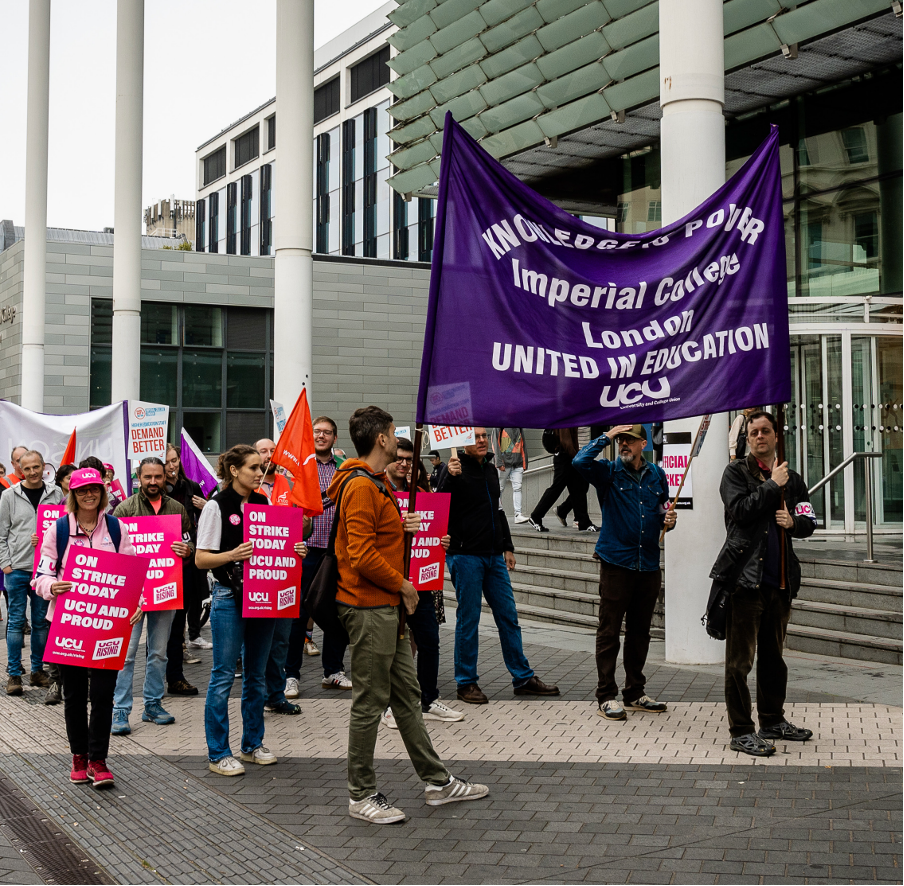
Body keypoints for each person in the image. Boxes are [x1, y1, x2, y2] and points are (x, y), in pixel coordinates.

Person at [328, 406, 488, 824]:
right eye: (391, 433)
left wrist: (403, 527)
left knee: (408, 697)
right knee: (369, 702)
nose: (396, 439)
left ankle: (437, 781)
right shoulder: (361, 485)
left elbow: (374, 539)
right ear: (381, 439)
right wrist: (402, 584)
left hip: (385, 609)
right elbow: (361, 554)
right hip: (370, 607)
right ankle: (360, 794)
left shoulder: (374, 483)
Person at [195, 445, 307, 776]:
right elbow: (201, 558)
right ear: (234, 471)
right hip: (230, 598)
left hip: (263, 597)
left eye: (262, 467)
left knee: (257, 675)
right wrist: (232, 555)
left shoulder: (262, 503)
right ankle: (218, 752)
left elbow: (274, 548)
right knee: (223, 675)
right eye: (254, 468)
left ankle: (252, 744)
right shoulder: (216, 506)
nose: (260, 473)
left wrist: (294, 548)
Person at [711, 410, 816, 757]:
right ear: (748, 438)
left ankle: (772, 720)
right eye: (753, 431)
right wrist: (772, 486)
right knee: (739, 663)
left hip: (780, 583)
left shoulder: (793, 478)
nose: (759, 436)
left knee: (774, 659)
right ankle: (741, 730)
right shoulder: (736, 472)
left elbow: (809, 518)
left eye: (765, 431)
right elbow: (740, 511)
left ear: (775, 435)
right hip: (746, 584)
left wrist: (794, 524)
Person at [34, 468, 142, 788]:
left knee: (104, 693)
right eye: (82, 491)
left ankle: (99, 759)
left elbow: (131, 572)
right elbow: (41, 573)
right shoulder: (60, 529)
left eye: (94, 489)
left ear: (102, 492)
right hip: (69, 623)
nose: (89, 495)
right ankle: (79, 756)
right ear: (73, 495)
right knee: (76, 694)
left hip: (108, 625)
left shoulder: (116, 528)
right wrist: (51, 587)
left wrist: (137, 602)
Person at [439, 428, 560, 704]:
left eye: (484, 436)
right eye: (475, 437)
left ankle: (523, 678)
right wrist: (448, 476)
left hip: (493, 555)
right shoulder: (453, 471)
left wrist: (507, 546)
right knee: (468, 620)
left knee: (508, 616)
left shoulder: (491, 470)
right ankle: (466, 683)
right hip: (465, 555)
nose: (481, 440)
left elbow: (498, 509)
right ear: (463, 442)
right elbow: (438, 505)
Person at [573, 425, 677, 721]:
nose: (623, 445)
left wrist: (668, 518)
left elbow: (661, 510)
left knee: (640, 633)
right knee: (609, 631)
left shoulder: (657, 474)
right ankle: (606, 695)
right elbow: (579, 462)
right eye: (620, 441)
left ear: (643, 443)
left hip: (647, 564)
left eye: (629, 440)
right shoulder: (607, 472)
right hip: (616, 564)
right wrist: (606, 436)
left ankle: (635, 692)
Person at [382, 439, 463, 728]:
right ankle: (389, 707)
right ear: (389, 459)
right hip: (391, 582)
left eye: (409, 460)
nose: (404, 464)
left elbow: (433, 529)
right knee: (392, 647)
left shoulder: (419, 493)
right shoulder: (380, 491)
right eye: (399, 458)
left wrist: (441, 539)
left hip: (423, 583)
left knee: (429, 642)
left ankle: (428, 699)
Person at [110, 458, 195, 734]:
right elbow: (113, 550)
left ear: (165, 476)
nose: (154, 482)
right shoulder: (124, 509)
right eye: (148, 477)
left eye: (158, 476)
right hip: (132, 592)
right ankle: (120, 710)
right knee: (126, 653)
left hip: (165, 589)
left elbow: (189, 540)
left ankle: (153, 705)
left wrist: (188, 550)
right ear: (139, 477)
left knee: (159, 652)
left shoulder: (177, 508)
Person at [282, 416, 353, 699]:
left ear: (336, 439)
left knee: (337, 613)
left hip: (337, 552)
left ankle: (333, 671)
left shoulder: (345, 471)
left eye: (327, 433)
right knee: (299, 613)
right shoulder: (300, 471)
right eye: (317, 432)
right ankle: (290, 675)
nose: (322, 436)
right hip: (306, 550)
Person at [0, 450, 65, 699]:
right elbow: (1, 534)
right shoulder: (9, 495)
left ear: (43, 466)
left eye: (36, 467)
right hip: (17, 568)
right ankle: (14, 673)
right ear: (19, 469)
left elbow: (62, 527)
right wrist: (6, 563)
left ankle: (38, 670)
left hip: (44, 571)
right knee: (16, 621)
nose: (32, 472)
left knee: (40, 623)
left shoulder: (56, 493)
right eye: (26, 469)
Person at [163, 443, 211, 690]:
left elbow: (197, 527)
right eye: (167, 462)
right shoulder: (148, 494)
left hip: (187, 563)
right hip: (159, 569)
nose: (172, 466)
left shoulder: (191, 487)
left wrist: (207, 508)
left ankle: (175, 676)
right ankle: (157, 674)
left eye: (175, 460)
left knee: (179, 617)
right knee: (159, 626)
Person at [527, 429, 597, 533]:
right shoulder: (567, 416)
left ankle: (584, 522)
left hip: (569, 455)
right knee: (557, 488)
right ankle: (535, 516)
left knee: (578, 488)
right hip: (565, 456)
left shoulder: (570, 416)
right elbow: (566, 441)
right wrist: (576, 457)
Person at [490, 428, 529, 524]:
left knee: (517, 488)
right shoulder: (499, 425)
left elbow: (523, 443)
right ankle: (498, 512)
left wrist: (525, 462)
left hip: (517, 463)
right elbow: (495, 443)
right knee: (499, 488)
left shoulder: (518, 426)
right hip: (505, 463)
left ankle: (518, 514)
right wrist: (499, 462)